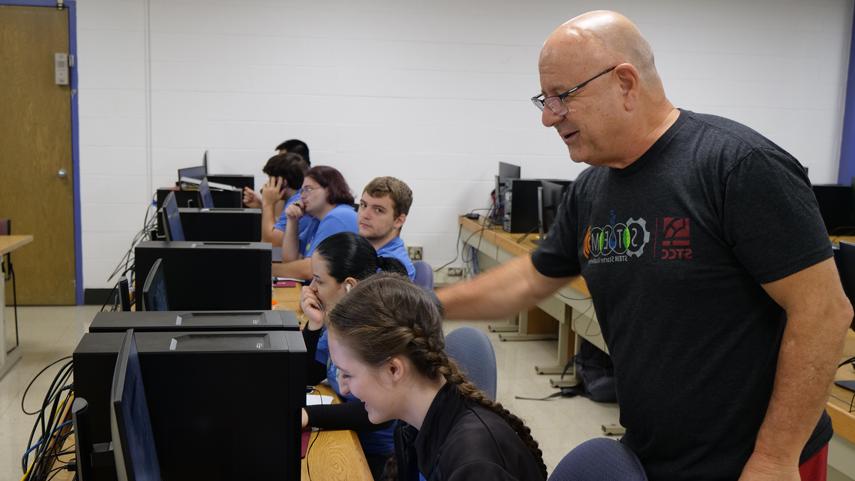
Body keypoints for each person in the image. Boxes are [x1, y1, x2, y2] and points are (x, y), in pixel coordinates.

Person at [436, 10, 853, 481]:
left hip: (755, 461)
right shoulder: (592, 189)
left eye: (562, 96)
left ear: (626, 83)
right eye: (543, 100)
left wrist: (776, 457)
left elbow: (823, 312)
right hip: (651, 453)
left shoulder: (737, 166)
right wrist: (430, 303)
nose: (549, 117)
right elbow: (532, 278)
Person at [327, 274, 547, 481]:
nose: (344, 389)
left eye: (348, 374)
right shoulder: (414, 423)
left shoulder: (475, 464)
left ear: (394, 370)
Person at [299, 232, 408, 480]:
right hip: (349, 432)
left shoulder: (376, 328)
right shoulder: (342, 322)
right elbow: (310, 375)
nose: (312, 289)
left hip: (377, 456)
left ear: (349, 285)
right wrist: (314, 326)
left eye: (319, 280)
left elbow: (372, 413)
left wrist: (308, 415)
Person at [273, 165, 357, 280]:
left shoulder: (338, 217)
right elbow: (290, 260)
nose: (302, 196)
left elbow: (310, 270)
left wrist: (267, 268)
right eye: (302, 191)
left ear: (329, 189)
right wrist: (292, 220)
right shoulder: (316, 219)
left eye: (308, 189)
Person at [358, 177, 416, 280]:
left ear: (398, 221)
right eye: (363, 205)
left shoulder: (393, 270)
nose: (365, 215)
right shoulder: (367, 252)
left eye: (378, 210)